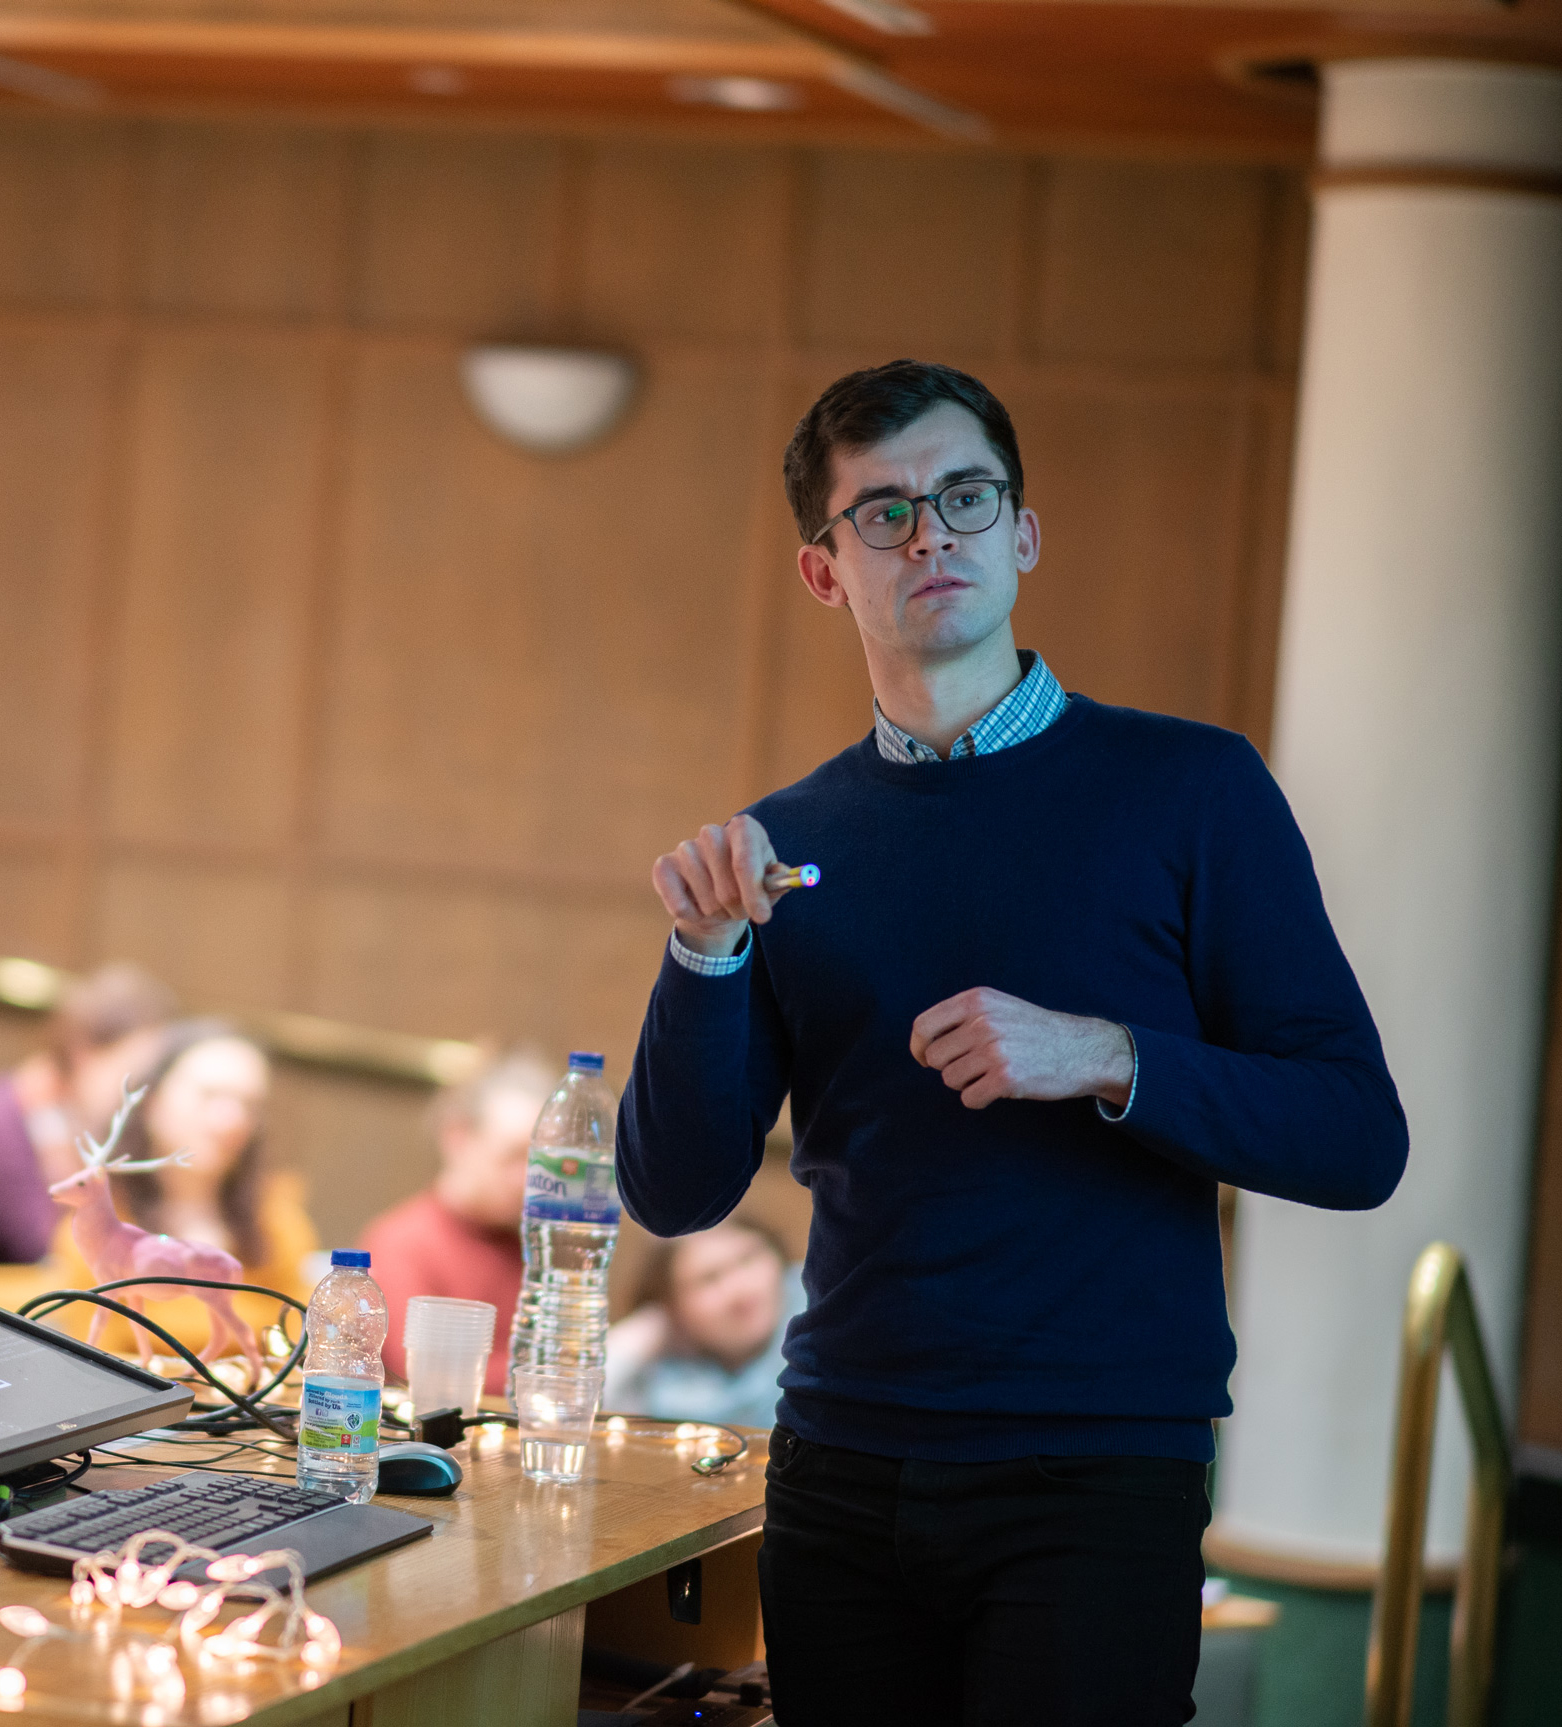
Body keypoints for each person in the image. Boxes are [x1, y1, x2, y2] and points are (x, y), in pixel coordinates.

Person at [615, 360, 1409, 1727]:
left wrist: (1109, 1055)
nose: (931, 534)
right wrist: (703, 957)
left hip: (1092, 1468)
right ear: (824, 572)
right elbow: (674, 1190)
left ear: (1020, 534)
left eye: (964, 496)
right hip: (840, 1457)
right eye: (882, 512)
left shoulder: (1192, 788)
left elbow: (1354, 1132)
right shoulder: (784, 844)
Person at [50, 1019, 317, 1359]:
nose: (230, 1120)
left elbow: (296, 1352)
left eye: (248, 1104)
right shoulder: (100, 1225)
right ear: (152, 1102)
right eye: (209, 1095)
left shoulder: (278, 1225)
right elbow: (93, 1356)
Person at [359, 1050, 557, 1397]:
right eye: (513, 1156)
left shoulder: (535, 1247)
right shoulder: (401, 1242)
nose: (529, 1179)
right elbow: (426, 1376)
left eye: (541, 1163)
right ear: (458, 1137)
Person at [0, 964, 178, 1265]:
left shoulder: (86, 1127)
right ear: (82, 1052)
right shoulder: (11, 1116)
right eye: (137, 1073)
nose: (145, 1091)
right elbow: (40, 1247)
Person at [604, 1216, 804, 1430]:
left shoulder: (824, 1315)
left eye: (747, 1259)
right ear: (673, 1308)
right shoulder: (659, 1390)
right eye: (709, 1279)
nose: (739, 1289)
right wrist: (637, 1337)